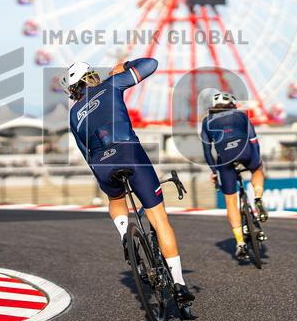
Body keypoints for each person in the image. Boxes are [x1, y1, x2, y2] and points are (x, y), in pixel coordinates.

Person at [64, 57, 195, 306]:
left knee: (115, 197)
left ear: (73, 90)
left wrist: (103, 176)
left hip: (102, 164)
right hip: (129, 153)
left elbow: (86, 153)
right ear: (91, 77)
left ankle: (125, 234)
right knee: (159, 220)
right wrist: (123, 67)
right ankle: (179, 284)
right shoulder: (111, 84)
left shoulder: (73, 114)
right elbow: (152, 64)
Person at [200, 92, 267, 259]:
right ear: (232, 104)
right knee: (258, 170)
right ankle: (258, 198)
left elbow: (207, 151)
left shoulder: (207, 121)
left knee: (230, 200)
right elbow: (253, 140)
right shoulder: (241, 115)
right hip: (246, 152)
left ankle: (240, 243)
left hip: (225, 159)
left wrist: (215, 171)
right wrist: (256, 160)